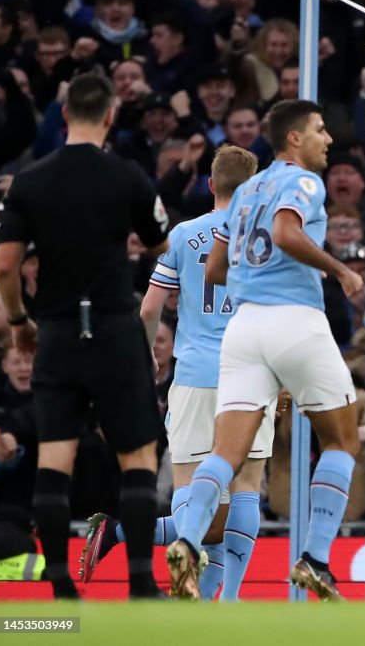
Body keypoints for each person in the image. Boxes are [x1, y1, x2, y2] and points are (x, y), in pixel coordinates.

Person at [165, 100, 364, 601]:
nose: (328, 140)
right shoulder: (303, 181)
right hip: (293, 318)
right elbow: (285, 232)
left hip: (243, 328)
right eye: (320, 130)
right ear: (294, 139)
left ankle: (186, 541)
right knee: (341, 440)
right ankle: (316, 558)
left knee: (226, 454)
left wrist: (253, 276)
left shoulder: (247, 189)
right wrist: (339, 270)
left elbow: (214, 270)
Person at [0, 72, 170, 600]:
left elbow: (6, 265)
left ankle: (61, 589)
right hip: (115, 329)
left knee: (55, 459)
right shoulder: (127, 175)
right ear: (111, 116)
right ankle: (141, 585)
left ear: (65, 115)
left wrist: (21, 323)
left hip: (60, 331)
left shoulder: (30, 179)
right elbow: (161, 244)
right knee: (137, 458)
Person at [80, 146, 275, 603]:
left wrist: (144, 356)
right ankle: (228, 601)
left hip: (194, 376)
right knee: (244, 488)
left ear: (210, 185)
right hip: (250, 377)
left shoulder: (185, 235)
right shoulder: (267, 239)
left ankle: (159, 561)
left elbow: (149, 307)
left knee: (193, 491)